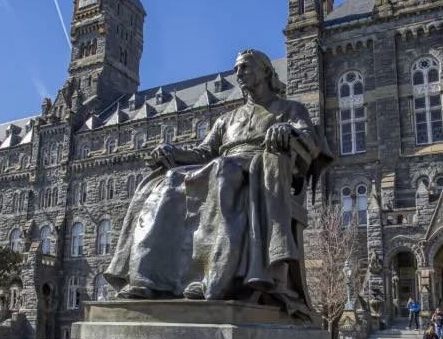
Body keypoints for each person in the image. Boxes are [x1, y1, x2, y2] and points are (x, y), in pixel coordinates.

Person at [105, 49, 331, 320]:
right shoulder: (227, 118)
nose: (239, 73)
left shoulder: (290, 109)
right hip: (222, 168)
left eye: (246, 67)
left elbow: (310, 140)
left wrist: (288, 131)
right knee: (168, 180)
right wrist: (173, 152)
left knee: (222, 170)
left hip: (258, 172)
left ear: (266, 71)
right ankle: (149, 278)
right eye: (236, 69)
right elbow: (203, 152)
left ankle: (215, 279)